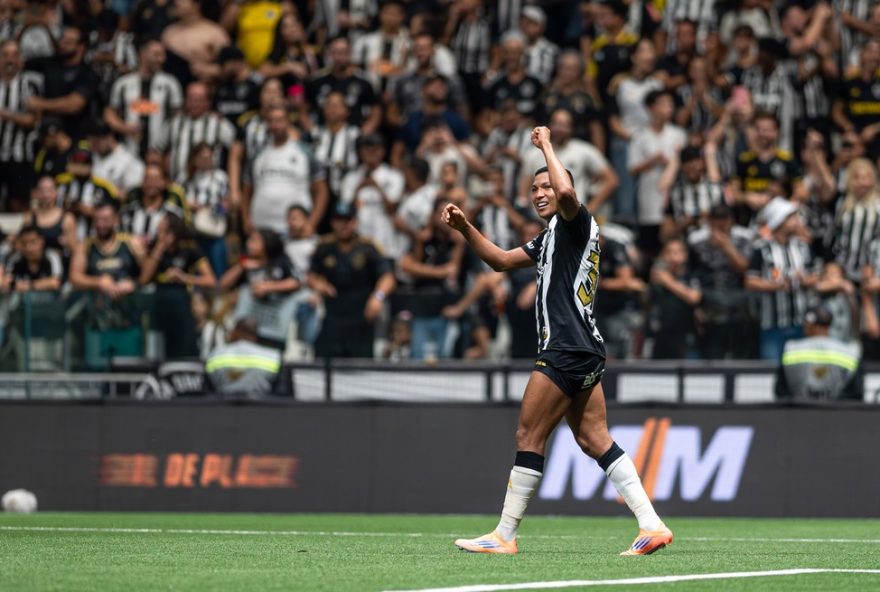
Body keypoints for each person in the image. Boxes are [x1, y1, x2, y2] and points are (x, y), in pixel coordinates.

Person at [444, 126, 671, 555]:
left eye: (546, 184)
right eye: (533, 188)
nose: (539, 192)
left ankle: (504, 535)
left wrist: (547, 145)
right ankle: (652, 523)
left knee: (528, 434)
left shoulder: (574, 221)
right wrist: (465, 227)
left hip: (565, 346)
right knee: (595, 440)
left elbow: (568, 195)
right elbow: (499, 261)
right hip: (585, 346)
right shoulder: (550, 236)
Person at [307, 201, 396, 358]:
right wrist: (318, 284)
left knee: (360, 364)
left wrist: (378, 297)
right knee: (324, 359)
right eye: (339, 221)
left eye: (347, 221)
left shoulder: (368, 247)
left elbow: (387, 277)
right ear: (333, 222)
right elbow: (311, 274)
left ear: (355, 222)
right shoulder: (324, 246)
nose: (343, 226)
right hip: (333, 312)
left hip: (361, 314)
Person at [745, 197, 817, 360]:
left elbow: (814, 277)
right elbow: (750, 281)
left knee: (798, 371)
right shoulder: (762, 249)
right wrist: (776, 286)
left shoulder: (802, 247)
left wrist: (805, 280)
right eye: (791, 217)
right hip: (772, 323)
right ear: (779, 220)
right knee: (771, 371)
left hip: (800, 321)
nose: (796, 221)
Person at [139, 214, 216, 358]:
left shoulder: (189, 248)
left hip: (182, 303)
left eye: (163, 231)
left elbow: (210, 280)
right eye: (158, 231)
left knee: (182, 349)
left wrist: (184, 278)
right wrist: (159, 248)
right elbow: (143, 279)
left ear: (173, 233)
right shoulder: (152, 247)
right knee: (156, 351)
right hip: (157, 302)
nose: (159, 234)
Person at [244, 104, 328, 235]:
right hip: (262, 229)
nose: (276, 125)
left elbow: (321, 190)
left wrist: (312, 223)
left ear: (288, 121)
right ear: (267, 124)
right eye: (271, 121)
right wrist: (246, 219)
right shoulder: (257, 155)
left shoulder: (305, 152)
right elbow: (247, 191)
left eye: (280, 120)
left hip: (295, 230)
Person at [105, 37, 183, 159]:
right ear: (142, 54)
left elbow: (178, 116)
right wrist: (124, 128)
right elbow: (109, 113)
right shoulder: (123, 84)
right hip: (128, 152)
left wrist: (168, 146)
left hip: (159, 154)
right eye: (156, 54)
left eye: (163, 55)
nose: (161, 59)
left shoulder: (170, 84)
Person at [775, 305, 863, 400]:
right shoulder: (848, 352)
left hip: (799, 412)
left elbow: (780, 391)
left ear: (808, 324)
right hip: (837, 413)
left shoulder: (791, 349)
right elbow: (856, 393)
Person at [205, 317, 282, 397]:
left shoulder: (216, 354)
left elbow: (209, 389)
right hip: (259, 407)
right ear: (255, 336)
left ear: (236, 332)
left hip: (221, 407)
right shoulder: (272, 357)